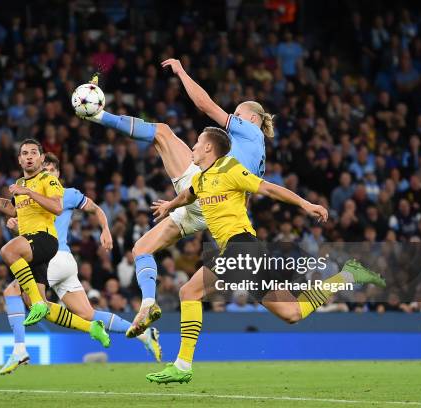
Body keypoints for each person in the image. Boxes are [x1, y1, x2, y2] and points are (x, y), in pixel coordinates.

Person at [145, 127, 385, 384]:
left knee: (188, 292)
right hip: (246, 252)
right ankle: (349, 274)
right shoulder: (202, 179)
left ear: (208, 148)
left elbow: (268, 189)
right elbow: (187, 194)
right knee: (292, 313)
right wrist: (170, 205)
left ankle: (182, 365)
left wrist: (306, 204)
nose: (192, 147)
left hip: (241, 246)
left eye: (196, 142)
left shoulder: (230, 168)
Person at [79, 61, 275, 337]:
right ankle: (148, 304)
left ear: (252, 118)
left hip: (207, 188)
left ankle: (99, 117)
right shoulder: (258, 156)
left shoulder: (250, 130)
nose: (234, 116)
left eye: (238, 114)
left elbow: (206, 106)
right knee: (141, 248)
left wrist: (182, 72)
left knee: (161, 132)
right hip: (208, 209)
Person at [0, 154, 161, 375]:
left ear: (58, 174)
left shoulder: (67, 194)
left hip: (54, 258)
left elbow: (96, 209)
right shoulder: (34, 199)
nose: (46, 175)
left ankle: (19, 349)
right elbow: (34, 232)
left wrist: (105, 229)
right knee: (86, 313)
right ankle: (143, 334)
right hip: (63, 262)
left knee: (13, 292)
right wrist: (16, 226)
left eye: (51, 171)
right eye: (43, 171)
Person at [0, 139, 110, 349]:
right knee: (34, 303)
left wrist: (31, 193)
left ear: (42, 159)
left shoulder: (47, 180)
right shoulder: (20, 184)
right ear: (19, 159)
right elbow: (11, 208)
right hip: (32, 246)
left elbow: (58, 208)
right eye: (25, 153)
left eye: (34, 153)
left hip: (44, 238)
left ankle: (33, 317)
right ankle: (91, 328)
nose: (29, 156)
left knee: (7, 250)